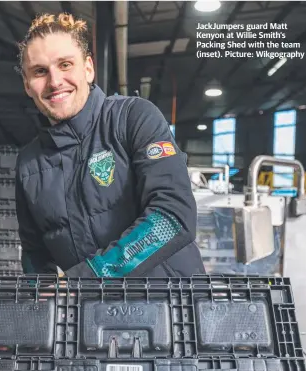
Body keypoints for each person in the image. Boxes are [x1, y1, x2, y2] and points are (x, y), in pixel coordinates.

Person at [14, 13, 204, 278]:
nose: (55, 81)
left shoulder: (134, 118)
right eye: (40, 71)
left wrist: (90, 276)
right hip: (89, 314)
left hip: (171, 306)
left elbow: (173, 217)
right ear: (27, 85)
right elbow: (35, 253)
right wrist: (45, 300)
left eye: (66, 64)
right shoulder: (28, 164)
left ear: (88, 68)